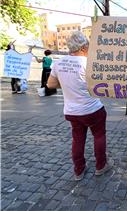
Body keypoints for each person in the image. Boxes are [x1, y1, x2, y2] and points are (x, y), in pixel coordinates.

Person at [47, 31, 113, 181]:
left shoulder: (59, 62)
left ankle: (79, 170)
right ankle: (100, 165)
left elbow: (50, 84)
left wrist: (66, 84)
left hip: (72, 111)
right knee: (99, 135)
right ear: (83, 47)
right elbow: (101, 86)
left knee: (77, 139)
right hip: (92, 109)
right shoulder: (89, 64)